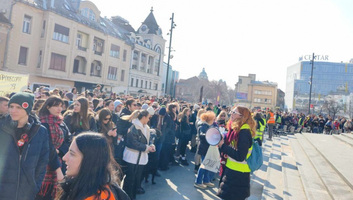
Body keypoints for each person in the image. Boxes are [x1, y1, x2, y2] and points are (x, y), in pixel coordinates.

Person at [0, 92, 49, 200]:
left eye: (18, 107)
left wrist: (35, 185)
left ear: (27, 109)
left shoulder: (40, 131)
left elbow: (43, 160)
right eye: (11, 106)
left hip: (26, 192)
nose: (13, 110)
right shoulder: (1, 127)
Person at [56, 132, 130, 200]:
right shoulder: (86, 186)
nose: (64, 157)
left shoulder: (97, 196)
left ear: (90, 160)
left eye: (72, 154)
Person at [217, 106, 256, 200]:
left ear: (242, 116)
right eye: (232, 111)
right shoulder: (237, 129)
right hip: (232, 172)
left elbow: (240, 156)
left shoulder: (244, 132)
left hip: (238, 176)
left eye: (234, 112)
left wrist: (223, 146)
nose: (231, 114)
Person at [35, 96, 70, 199]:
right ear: (48, 107)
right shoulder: (42, 123)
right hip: (45, 163)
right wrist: (57, 169)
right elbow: (48, 147)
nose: (59, 109)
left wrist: (59, 150)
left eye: (61, 106)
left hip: (59, 158)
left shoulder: (61, 122)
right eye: (56, 106)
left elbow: (68, 140)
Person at [123, 110, 156, 200]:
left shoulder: (146, 127)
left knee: (136, 181)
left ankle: (132, 197)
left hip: (140, 157)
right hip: (132, 157)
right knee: (130, 181)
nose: (149, 119)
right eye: (148, 117)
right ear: (144, 117)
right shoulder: (133, 127)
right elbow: (132, 142)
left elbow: (148, 139)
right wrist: (146, 147)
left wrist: (151, 145)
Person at [194, 111, 216, 189]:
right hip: (204, 148)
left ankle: (206, 180)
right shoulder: (203, 126)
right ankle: (198, 182)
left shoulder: (209, 126)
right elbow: (202, 136)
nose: (214, 120)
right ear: (209, 119)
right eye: (213, 119)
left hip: (207, 148)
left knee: (207, 165)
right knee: (204, 165)